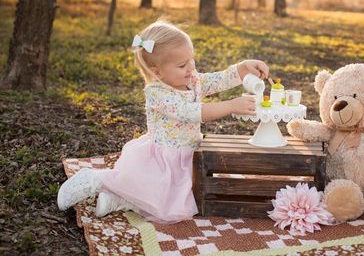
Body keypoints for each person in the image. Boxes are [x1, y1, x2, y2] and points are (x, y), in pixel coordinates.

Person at [57, 20, 269, 223]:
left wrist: (243, 68)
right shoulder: (157, 93)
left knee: (179, 195)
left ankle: (120, 198)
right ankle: (95, 180)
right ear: (157, 72)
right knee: (161, 194)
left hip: (187, 152)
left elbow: (219, 79)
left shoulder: (192, 79)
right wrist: (230, 105)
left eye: (191, 60)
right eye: (182, 65)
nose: (191, 68)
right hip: (162, 156)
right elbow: (191, 112)